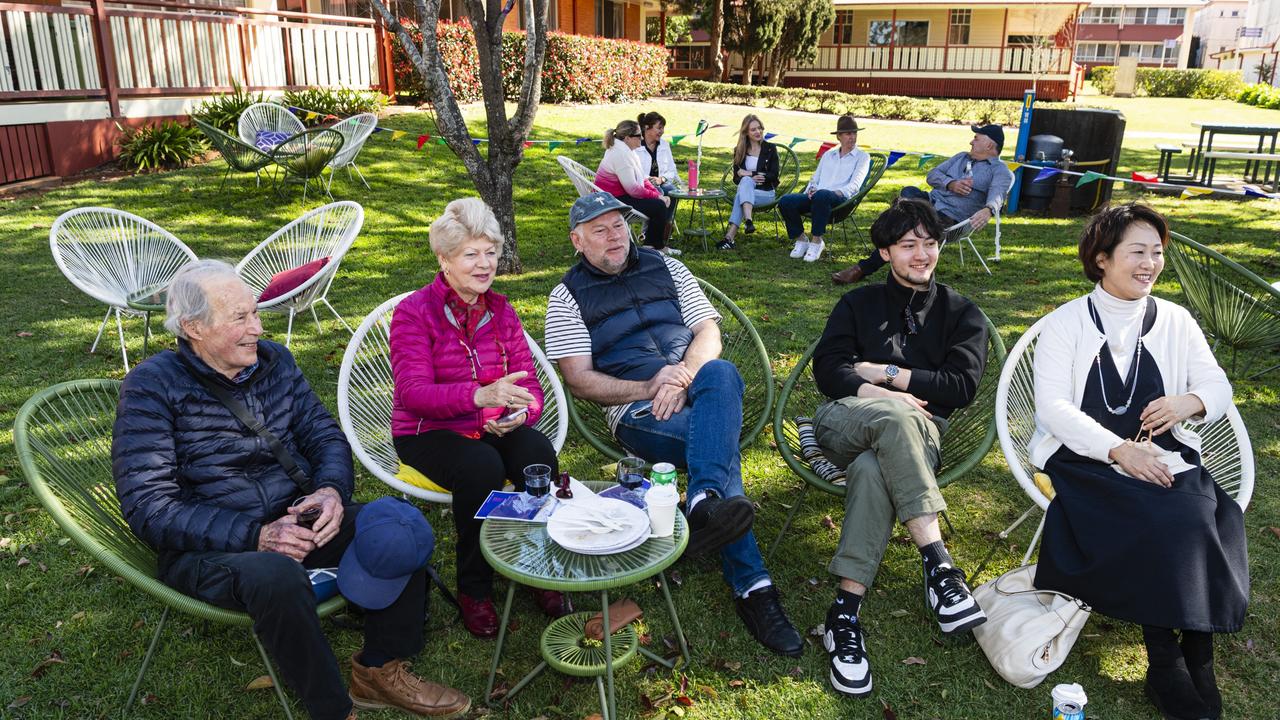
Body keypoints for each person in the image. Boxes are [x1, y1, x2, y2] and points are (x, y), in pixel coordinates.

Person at [112, 260, 470, 720]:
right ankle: (332, 709)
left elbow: (324, 436)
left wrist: (330, 492)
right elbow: (149, 505)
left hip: (297, 516)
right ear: (193, 327)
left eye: (255, 313)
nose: (256, 328)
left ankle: (380, 671)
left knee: (398, 523)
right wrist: (255, 536)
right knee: (275, 576)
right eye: (239, 318)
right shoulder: (151, 386)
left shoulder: (275, 361)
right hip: (214, 547)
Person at [544, 191, 803, 657]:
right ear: (576, 241)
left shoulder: (668, 267)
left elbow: (709, 332)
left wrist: (681, 377)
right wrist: (651, 388)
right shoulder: (565, 296)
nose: (614, 237)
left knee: (721, 371)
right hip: (640, 413)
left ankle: (703, 502)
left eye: (619, 226)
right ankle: (754, 589)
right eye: (599, 231)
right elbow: (579, 381)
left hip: (696, 388)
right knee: (720, 456)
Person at [1029, 204, 1246, 720]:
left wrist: (1187, 403)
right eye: (1137, 252)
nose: (1150, 263)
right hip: (1085, 456)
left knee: (1206, 511)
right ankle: (1165, 660)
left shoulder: (1175, 319)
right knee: (1165, 514)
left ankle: (1197, 651)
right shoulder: (1065, 324)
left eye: (1158, 253)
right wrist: (1119, 450)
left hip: (1160, 450)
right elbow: (1053, 408)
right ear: (1101, 258)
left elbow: (1216, 384)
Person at [810, 198, 990, 698]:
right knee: (895, 416)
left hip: (918, 437)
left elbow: (961, 387)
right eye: (909, 245)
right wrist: (880, 394)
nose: (922, 255)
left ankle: (844, 614)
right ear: (886, 252)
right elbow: (829, 370)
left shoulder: (962, 313)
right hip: (847, 420)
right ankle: (937, 562)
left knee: (874, 468)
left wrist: (887, 372)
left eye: (930, 244)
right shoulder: (858, 304)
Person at [390, 197, 570, 640]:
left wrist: (519, 412)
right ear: (444, 260)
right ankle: (475, 587)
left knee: (537, 452)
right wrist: (478, 396)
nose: (485, 263)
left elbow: (529, 385)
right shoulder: (414, 313)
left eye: (490, 251)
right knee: (482, 467)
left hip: (490, 425)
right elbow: (414, 395)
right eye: (471, 254)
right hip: (428, 432)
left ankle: (532, 560)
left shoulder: (502, 310)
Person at [832, 124, 1013, 284]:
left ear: (989, 145)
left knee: (902, 224)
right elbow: (932, 175)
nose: (971, 142)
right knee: (908, 191)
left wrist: (989, 210)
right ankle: (894, 226)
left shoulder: (999, 171)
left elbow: (998, 194)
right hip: (928, 202)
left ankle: (863, 268)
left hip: (948, 217)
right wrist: (951, 183)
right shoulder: (961, 158)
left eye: (976, 138)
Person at [776, 114, 870, 263]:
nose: (852, 137)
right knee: (786, 201)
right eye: (848, 133)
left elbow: (855, 185)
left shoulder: (862, 157)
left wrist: (836, 192)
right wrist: (811, 189)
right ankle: (801, 239)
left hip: (840, 199)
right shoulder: (828, 155)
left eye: (854, 133)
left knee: (823, 195)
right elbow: (815, 179)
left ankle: (817, 242)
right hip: (818, 196)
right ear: (839, 136)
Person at [596, 118, 677, 255]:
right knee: (658, 206)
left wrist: (658, 194)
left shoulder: (627, 151)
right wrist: (658, 197)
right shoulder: (620, 154)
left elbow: (641, 179)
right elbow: (633, 189)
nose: (642, 138)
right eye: (638, 136)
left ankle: (654, 245)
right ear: (627, 138)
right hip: (611, 200)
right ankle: (653, 247)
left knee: (659, 201)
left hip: (618, 195)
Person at [718, 114, 780, 251]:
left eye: (759, 128)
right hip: (748, 193)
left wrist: (749, 174)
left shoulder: (770, 148)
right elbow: (736, 177)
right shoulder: (739, 150)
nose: (758, 132)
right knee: (745, 184)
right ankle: (745, 223)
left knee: (741, 193)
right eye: (753, 130)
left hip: (766, 193)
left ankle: (731, 236)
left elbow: (774, 175)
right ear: (746, 132)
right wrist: (748, 177)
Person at [634, 111, 681, 222]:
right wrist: (649, 179)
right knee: (659, 192)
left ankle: (665, 226)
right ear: (646, 128)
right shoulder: (636, 145)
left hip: (661, 182)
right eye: (659, 128)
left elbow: (672, 169)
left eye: (663, 128)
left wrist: (662, 179)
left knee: (672, 192)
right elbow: (634, 170)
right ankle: (652, 228)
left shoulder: (664, 145)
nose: (662, 131)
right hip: (641, 184)